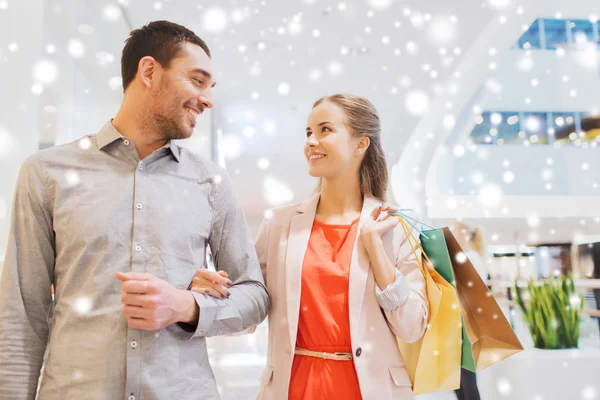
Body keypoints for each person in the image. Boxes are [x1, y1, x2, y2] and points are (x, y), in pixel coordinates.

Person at [0, 20, 269, 399]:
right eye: (197, 80)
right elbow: (21, 316)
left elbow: (254, 296)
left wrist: (186, 305)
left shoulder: (211, 183)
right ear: (148, 71)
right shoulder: (46, 173)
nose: (207, 99)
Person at [192, 94, 429, 399]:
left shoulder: (395, 228)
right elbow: (248, 310)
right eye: (308, 133)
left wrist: (376, 250)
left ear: (361, 144)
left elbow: (412, 328)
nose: (311, 141)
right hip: (295, 386)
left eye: (325, 130)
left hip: (371, 390)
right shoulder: (280, 224)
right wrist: (212, 293)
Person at [451, 220, 489, 400]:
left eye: (455, 230)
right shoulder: (467, 256)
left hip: (466, 322)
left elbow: (469, 288)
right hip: (461, 321)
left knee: (466, 374)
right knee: (460, 373)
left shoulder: (471, 256)